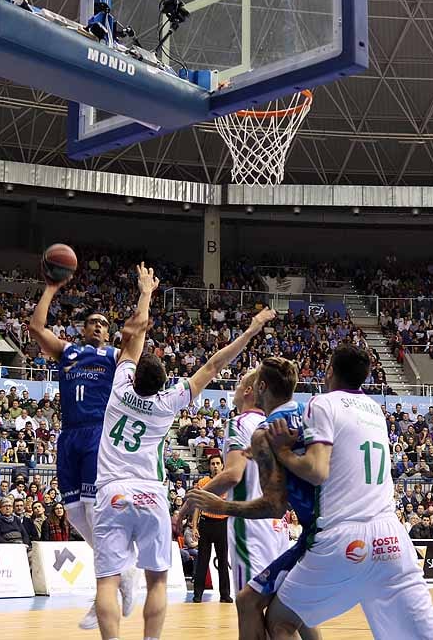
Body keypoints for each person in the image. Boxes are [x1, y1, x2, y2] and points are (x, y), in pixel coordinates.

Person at [91, 262, 276, 640]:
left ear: (135, 373)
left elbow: (135, 337)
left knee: (107, 583)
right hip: (149, 493)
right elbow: (213, 363)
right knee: (157, 581)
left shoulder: (120, 386)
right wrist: (252, 331)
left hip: (111, 490)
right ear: (162, 383)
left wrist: (146, 293)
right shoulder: (166, 403)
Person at [258, 344, 433, 639]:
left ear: (330, 370)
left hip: (344, 538)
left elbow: (317, 471)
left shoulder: (322, 403)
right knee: (423, 633)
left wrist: (282, 451)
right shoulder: (375, 410)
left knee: (280, 620)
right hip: (392, 537)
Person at [183, 356, 323, 640]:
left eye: (237, 387)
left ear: (250, 390)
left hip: (252, 526)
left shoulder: (240, 423)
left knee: (249, 605)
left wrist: (194, 500)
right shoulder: (287, 419)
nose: (233, 391)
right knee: (289, 609)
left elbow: (233, 474)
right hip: (280, 527)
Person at [28, 249, 129, 629]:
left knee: (93, 511)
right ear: (83, 329)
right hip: (68, 436)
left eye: (104, 323)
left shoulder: (114, 356)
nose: (99, 327)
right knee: (73, 514)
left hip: (95, 436)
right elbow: (37, 329)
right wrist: (51, 288)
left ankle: (106, 587)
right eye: (93, 322)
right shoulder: (68, 351)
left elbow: (137, 342)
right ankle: (121, 571)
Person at [190, 454, 232, 604]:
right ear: (209, 466)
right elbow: (197, 505)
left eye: (217, 463)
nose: (215, 466)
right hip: (206, 524)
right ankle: (197, 595)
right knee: (202, 561)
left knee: (223, 561)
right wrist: (194, 526)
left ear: (222, 465)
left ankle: (225, 594)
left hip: (223, 524)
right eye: (212, 463)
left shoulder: (228, 482)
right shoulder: (203, 482)